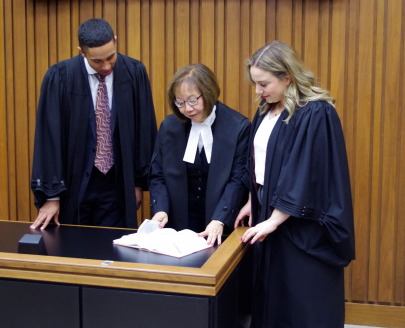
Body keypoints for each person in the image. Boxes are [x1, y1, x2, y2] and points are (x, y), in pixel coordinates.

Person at [234, 41, 355, 327]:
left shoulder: (315, 112)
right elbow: (258, 162)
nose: (258, 91)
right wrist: (253, 199)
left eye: (264, 83)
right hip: (268, 213)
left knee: (299, 301)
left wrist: (275, 219)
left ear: (287, 76)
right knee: (272, 298)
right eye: (255, 83)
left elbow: (306, 172)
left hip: (300, 224)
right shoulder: (265, 109)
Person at [30, 18, 157, 230]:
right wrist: (52, 196)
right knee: (73, 250)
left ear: (115, 41)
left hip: (118, 184)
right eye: (97, 61)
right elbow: (48, 138)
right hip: (74, 184)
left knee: (114, 251)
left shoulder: (134, 72)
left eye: (111, 57)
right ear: (82, 52)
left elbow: (144, 131)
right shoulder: (60, 77)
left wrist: (137, 183)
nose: (106, 66)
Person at [149, 64, 250, 246]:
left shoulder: (237, 127)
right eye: (179, 102)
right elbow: (158, 175)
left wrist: (220, 219)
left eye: (193, 100)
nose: (187, 109)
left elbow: (238, 179)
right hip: (178, 222)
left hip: (220, 222)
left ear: (209, 92)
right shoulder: (169, 126)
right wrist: (160, 209)